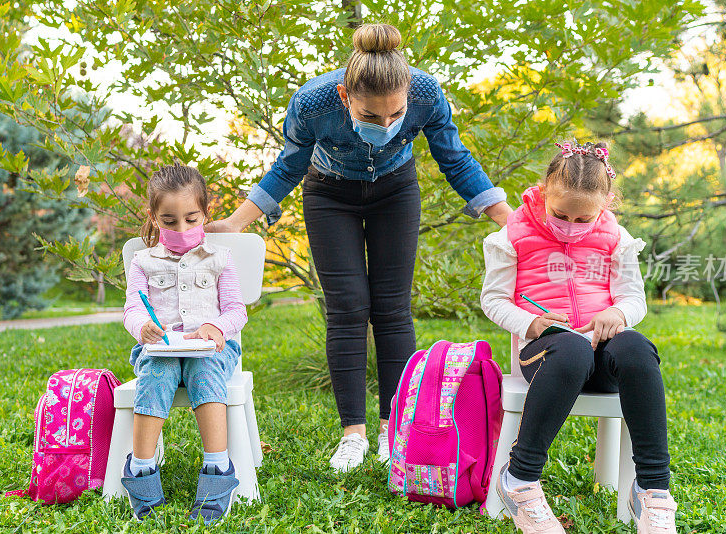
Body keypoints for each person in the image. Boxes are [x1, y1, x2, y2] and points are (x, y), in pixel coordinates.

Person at [207, 23, 512, 472]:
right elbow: (288, 166)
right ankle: (354, 435)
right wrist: (235, 223)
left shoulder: (427, 93)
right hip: (329, 194)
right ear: (346, 97)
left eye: (395, 116)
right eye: (371, 117)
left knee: (392, 308)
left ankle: (394, 430)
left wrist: (510, 220)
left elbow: (455, 158)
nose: (386, 126)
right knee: (348, 307)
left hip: (396, 191)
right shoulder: (312, 102)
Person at [480, 141, 676, 534]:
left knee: (636, 347)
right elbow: (493, 299)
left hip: (600, 353)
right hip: (547, 354)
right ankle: (519, 480)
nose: (571, 224)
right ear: (546, 190)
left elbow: (633, 297)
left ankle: (653, 490)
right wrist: (530, 323)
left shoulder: (616, 236)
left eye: (584, 218)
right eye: (561, 213)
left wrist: (617, 313)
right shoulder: (513, 234)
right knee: (570, 348)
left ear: (606, 203)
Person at [121, 164, 248, 524]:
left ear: (206, 213)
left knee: (203, 368)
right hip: (162, 350)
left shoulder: (220, 259)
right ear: (153, 217)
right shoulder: (142, 262)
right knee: (158, 371)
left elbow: (237, 310)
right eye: (170, 220)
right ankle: (142, 468)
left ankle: (218, 466)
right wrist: (142, 326)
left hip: (210, 351)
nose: (181, 229)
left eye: (191, 219)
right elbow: (132, 307)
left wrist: (215, 326)